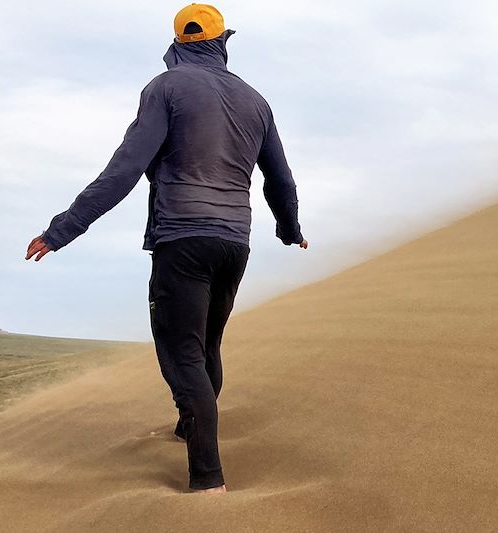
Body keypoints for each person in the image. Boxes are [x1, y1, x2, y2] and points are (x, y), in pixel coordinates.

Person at [24, 3, 307, 494]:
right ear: (223, 42)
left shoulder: (165, 88)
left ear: (178, 44)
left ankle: (208, 479)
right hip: (234, 242)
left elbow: (124, 169)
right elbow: (280, 179)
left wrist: (62, 230)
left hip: (183, 239)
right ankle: (187, 429)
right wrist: (289, 229)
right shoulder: (257, 102)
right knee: (206, 346)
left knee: (183, 353)